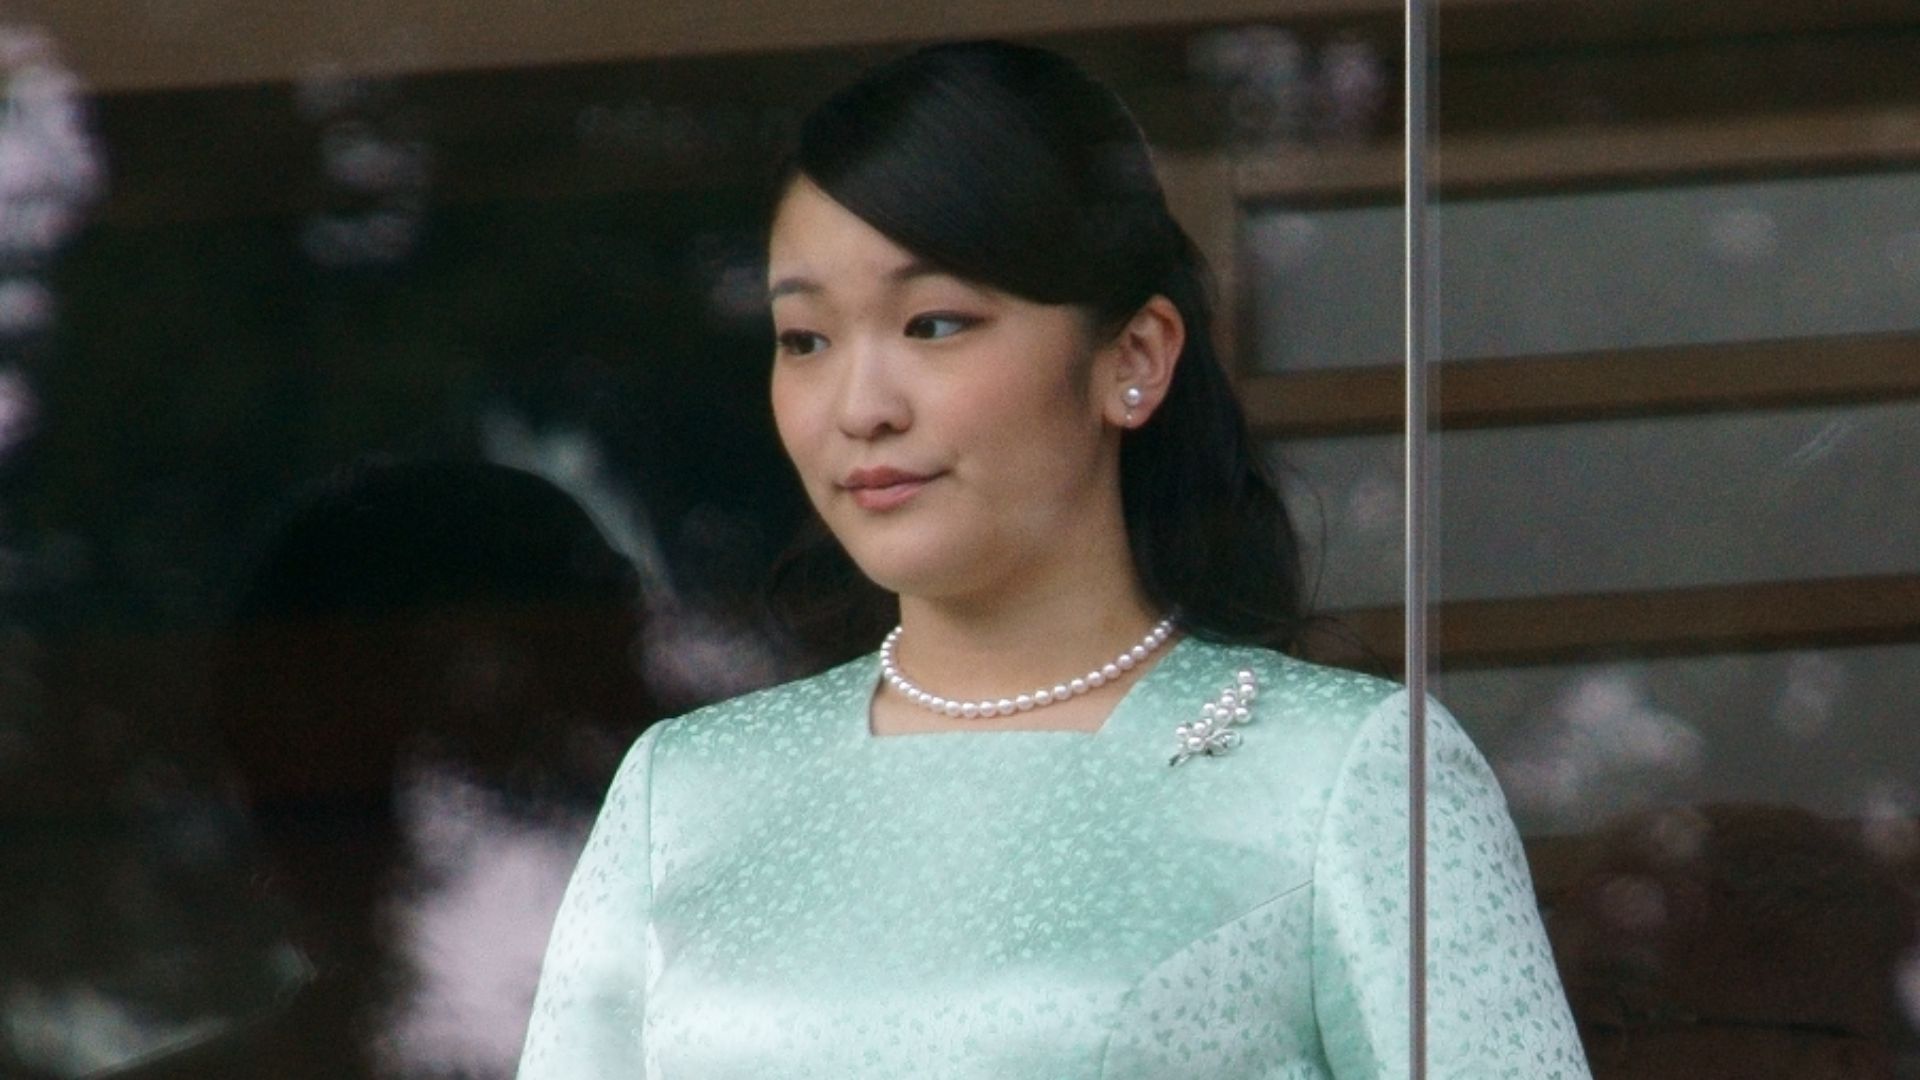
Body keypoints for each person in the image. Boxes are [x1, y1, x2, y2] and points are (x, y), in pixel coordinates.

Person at [518, 41, 1590, 1079]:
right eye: (806, 340)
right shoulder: (684, 794)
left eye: (935, 323)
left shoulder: (1346, 778)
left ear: (1133, 358)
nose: (860, 406)